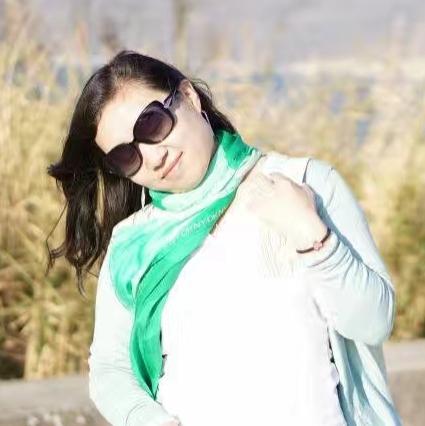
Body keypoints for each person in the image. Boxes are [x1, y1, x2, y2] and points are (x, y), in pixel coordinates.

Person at [46, 50, 403, 426]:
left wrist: (316, 240)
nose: (152, 157)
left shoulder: (305, 184)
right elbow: (110, 370)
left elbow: (373, 323)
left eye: (151, 124)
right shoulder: (133, 245)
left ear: (189, 97)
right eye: (125, 155)